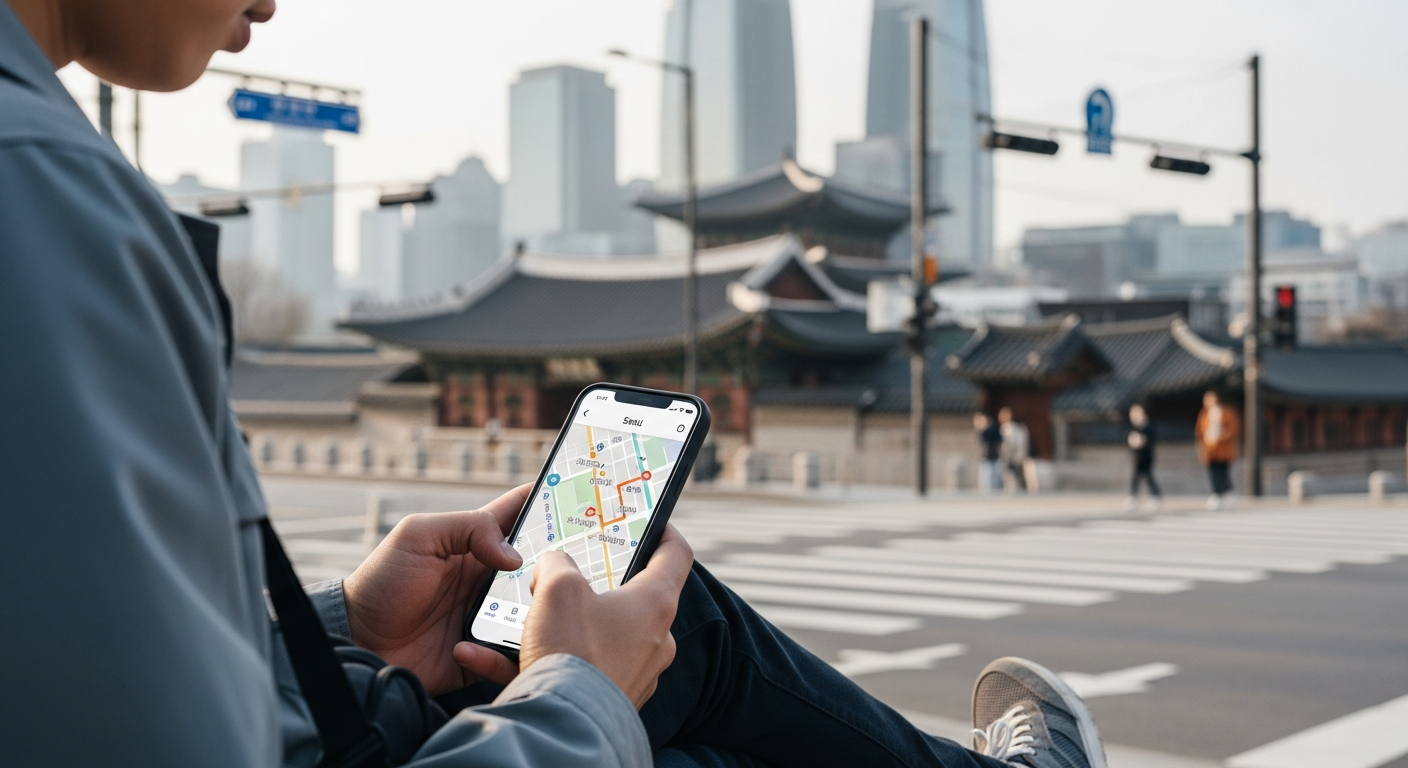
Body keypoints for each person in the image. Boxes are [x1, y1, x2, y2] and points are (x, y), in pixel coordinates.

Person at [0, 1, 1109, 767]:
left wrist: (341, 629)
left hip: (335, 699)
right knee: (675, 679)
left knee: (656, 632)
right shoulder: (45, 194)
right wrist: (578, 696)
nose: (274, 6)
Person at [1195, 391, 1240, 510]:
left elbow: (1233, 429)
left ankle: (1228, 492)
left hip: (1223, 449)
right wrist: (1201, 447)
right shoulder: (1204, 414)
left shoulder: (1227, 412)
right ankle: (1217, 494)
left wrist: (1222, 436)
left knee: (1223, 472)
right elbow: (1200, 432)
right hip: (1209, 449)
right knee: (1213, 473)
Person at [1125, 404, 1161, 512]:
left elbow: (1151, 438)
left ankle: (1155, 496)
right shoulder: (1133, 427)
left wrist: (1142, 440)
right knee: (1136, 477)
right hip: (1137, 456)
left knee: (1148, 476)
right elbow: (1127, 438)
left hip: (1146, 456)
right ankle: (1134, 497)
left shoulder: (1148, 425)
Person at [997, 407, 1030, 493]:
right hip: (1018, 456)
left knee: (1011, 477)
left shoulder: (1007, 428)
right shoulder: (1020, 428)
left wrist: (1004, 454)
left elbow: (1007, 445)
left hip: (1011, 457)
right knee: (1019, 477)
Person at [974, 412, 1004, 493]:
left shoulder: (991, 429)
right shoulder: (983, 431)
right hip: (987, 457)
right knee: (986, 478)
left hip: (992, 457)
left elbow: (997, 443)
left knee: (991, 478)